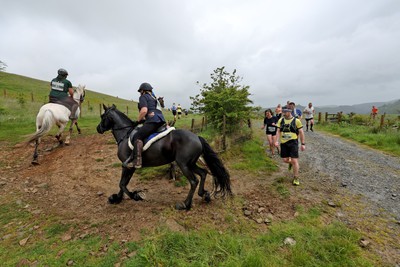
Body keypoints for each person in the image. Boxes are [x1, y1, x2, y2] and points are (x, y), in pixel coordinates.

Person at [122, 82, 166, 169]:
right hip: (161, 120)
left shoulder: (143, 97)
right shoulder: (154, 98)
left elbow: (144, 111)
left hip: (153, 121)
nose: (140, 93)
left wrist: (138, 121)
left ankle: (137, 161)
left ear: (143, 90)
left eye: (140, 91)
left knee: (137, 136)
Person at [275, 107, 306, 186]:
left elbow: (301, 132)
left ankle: (296, 178)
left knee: (294, 160)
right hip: (283, 143)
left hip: (293, 142)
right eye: (283, 111)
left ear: (290, 112)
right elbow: (278, 131)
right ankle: (291, 163)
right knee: (285, 160)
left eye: (285, 112)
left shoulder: (296, 121)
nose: (283, 113)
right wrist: (276, 141)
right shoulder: (280, 120)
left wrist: (303, 144)